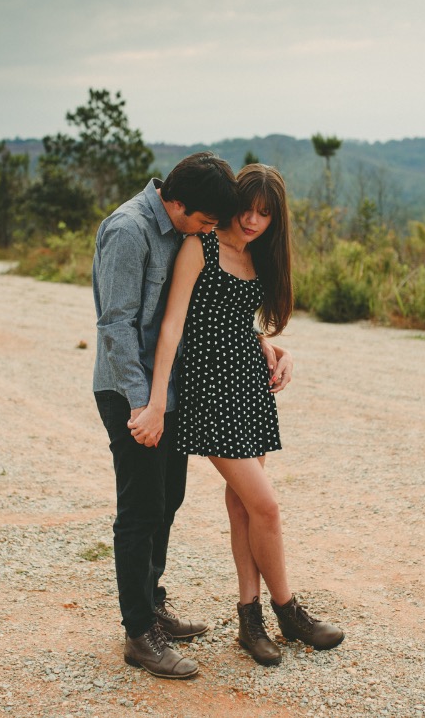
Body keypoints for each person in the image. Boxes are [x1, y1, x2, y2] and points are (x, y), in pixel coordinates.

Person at [130, 163, 343, 667]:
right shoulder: (199, 246)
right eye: (247, 209)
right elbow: (173, 326)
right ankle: (288, 609)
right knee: (266, 506)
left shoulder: (257, 255)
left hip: (249, 387)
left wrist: (272, 348)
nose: (251, 221)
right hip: (210, 393)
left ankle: (250, 621)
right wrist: (158, 399)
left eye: (264, 215)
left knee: (244, 507)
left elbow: (235, 323)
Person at [93, 152, 290, 679]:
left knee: (167, 500)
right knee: (139, 510)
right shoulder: (129, 230)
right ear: (178, 205)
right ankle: (140, 634)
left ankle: (153, 605)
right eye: (207, 221)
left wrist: (261, 344)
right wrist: (145, 404)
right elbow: (116, 326)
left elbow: (209, 315)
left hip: (171, 392)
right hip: (132, 393)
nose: (213, 230)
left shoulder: (179, 225)